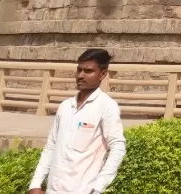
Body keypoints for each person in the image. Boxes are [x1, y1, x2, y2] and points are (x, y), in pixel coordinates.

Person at [29, 48, 126, 194]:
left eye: (88, 71)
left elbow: (118, 148)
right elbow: (51, 146)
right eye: (79, 70)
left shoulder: (106, 106)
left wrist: (98, 188)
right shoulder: (66, 106)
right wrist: (35, 184)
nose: (81, 75)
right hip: (53, 190)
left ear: (103, 74)